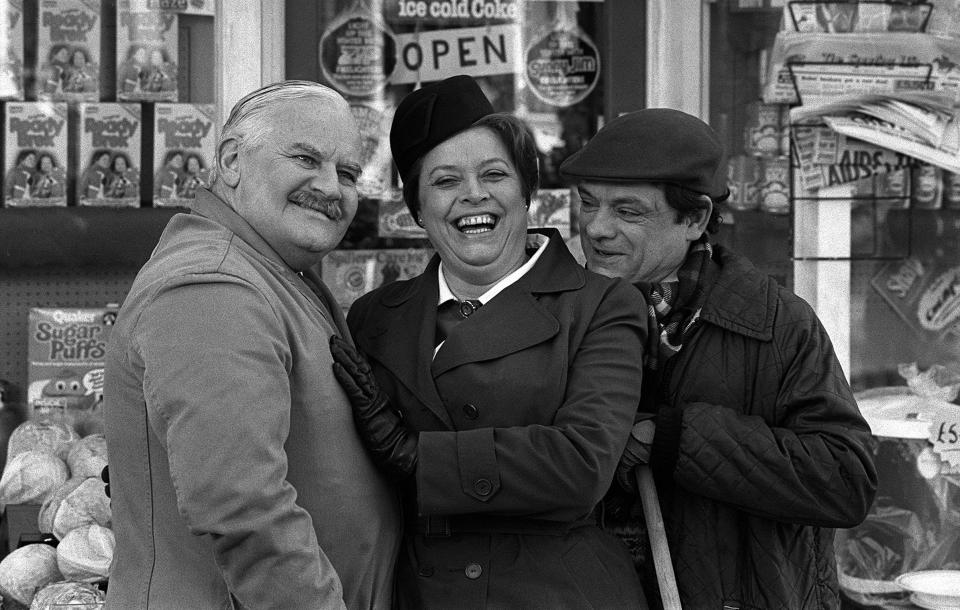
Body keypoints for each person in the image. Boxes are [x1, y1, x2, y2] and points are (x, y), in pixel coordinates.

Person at [329, 74, 649, 609]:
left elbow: (583, 464)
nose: (473, 194)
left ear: (527, 192)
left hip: (561, 594)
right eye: (445, 181)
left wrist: (416, 457)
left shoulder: (601, 305)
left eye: (494, 174)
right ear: (416, 210)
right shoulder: (374, 317)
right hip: (415, 593)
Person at [558, 108, 878, 609]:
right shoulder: (557, 314)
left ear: (696, 218)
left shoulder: (778, 325)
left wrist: (670, 439)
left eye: (627, 211)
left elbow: (844, 480)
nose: (596, 228)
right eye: (588, 203)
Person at [103, 80, 401, 609]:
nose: (331, 188)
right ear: (233, 160)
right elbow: (242, 506)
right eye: (306, 158)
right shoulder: (212, 287)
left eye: (349, 173)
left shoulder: (267, 270)